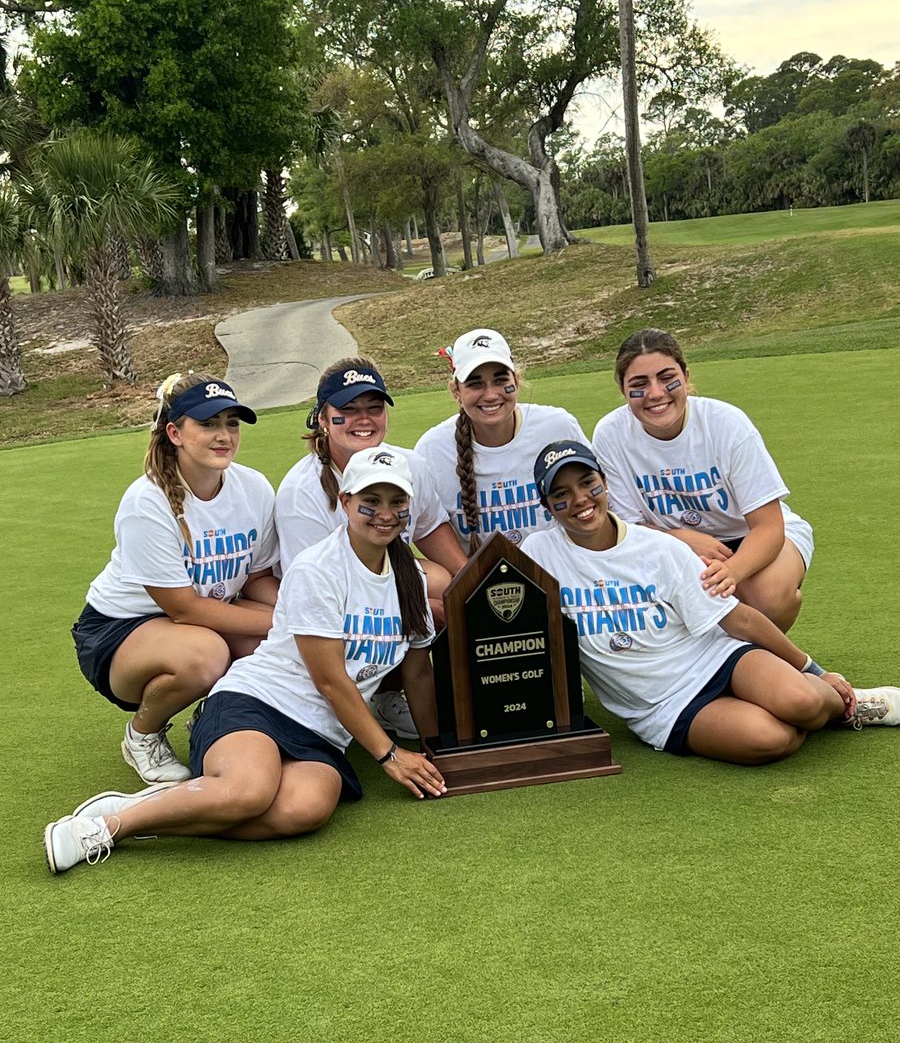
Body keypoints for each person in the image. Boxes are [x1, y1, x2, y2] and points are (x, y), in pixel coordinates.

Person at [45, 447, 447, 875]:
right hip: (257, 703)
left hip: (321, 732)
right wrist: (389, 755)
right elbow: (331, 680)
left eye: (397, 502)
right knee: (249, 792)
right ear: (345, 502)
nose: (385, 514)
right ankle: (109, 826)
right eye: (371, 501)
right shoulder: (318, 570)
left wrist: (435, 745)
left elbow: (418, 671)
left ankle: (156, 810)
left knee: (305, 810)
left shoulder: (411, 579)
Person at [521, 440, 899, 764]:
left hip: (718, 657)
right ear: (547, 506)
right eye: (561, 495)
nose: (580, 500)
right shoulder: (537, 555)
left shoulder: (658, 547)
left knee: (803, 701)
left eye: (588, 484)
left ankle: (848, 704)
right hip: (661, 706)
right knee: (772, 739)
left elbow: (737, 621)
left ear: (604, 483)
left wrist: (815, 671)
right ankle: (804, 710)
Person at [71, 373, 279, 784]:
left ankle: (218, 716)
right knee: (205, 656)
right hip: (119, 631)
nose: (224, 436)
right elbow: (184, 609)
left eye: (231, 423)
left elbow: (256, 577)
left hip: (207, 612)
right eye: (208, 424)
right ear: (175, 432)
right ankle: (142, 734)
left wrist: (299, 608)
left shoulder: (254, 487)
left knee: (270, 647)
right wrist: (286, 620)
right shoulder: (146, 501)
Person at [275, 358, 467, 735]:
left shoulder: (409, 464)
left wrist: (474, 585)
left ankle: (401, 693)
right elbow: (314, 592)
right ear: (322, 418)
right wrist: (421, 609)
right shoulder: (301, 491)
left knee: (449, 586)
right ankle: (380, 692)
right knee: (430, 609)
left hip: (382, 581)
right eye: (347, 410)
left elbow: (430, 530)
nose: (363, 419)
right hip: (329, 606)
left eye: (373, 408)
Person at [592, 328, 813, 632]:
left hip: (750, 533)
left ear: (685, 374)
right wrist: (682, 538)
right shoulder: (610, 434)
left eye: (666, 377)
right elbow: (630, 527)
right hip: (671, 542)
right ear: (622, 389)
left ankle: (767, 660)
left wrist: (730, 572)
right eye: (639, 384)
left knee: (765, 598)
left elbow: (769, 526)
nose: (656, 393)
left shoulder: (727, 423)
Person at [414, 328, 591, 555]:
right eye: (475, 384)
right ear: (456, 391)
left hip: (563, 573)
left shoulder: (558, 427)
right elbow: (424, 527)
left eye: (500, 380)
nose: (490, 395)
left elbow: (597, 498)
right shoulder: (432, 450)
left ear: (516, 381)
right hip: (481, 586)